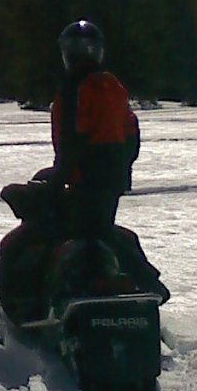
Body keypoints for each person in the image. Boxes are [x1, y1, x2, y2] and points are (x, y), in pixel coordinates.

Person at [48, 20, 167, 301]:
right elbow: (131, 131)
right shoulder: (113, 85)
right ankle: (103, 282)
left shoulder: (74, 87)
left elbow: (71, 136)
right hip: (112, 173)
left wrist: (62, 174)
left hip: (88, 173)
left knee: (88, 231)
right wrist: (122, 164)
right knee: (98, 229)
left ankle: (139, 281)